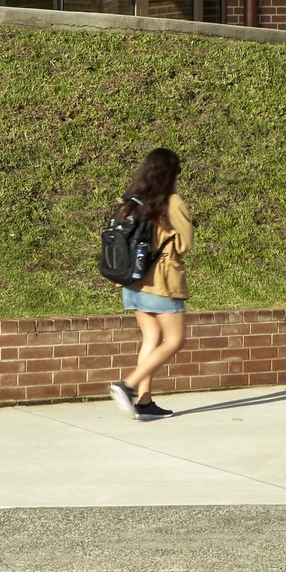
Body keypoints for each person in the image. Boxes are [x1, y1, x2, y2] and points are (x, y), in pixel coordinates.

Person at [108, 145, 193, 421]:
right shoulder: (172, 202)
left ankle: (144, 403)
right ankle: (128, 386)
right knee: (175, 340)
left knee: (152, 338)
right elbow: (185, 243)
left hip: (133, 282)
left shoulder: (131, 200)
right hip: (161, 283)